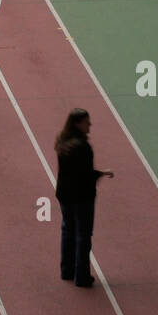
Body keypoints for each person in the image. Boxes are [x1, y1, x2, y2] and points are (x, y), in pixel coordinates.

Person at [55, 108, 113, 288]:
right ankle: (81, 276)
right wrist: (100, 174)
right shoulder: (83, 147)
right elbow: (85, 175)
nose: (90, 125)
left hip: (64, 194)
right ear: (78, 124)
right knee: (83, 235)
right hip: (82, 197)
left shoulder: (62, 142)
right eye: (87, 122)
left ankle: (67, 270)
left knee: (68, 230)